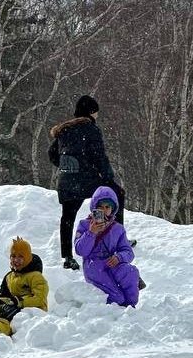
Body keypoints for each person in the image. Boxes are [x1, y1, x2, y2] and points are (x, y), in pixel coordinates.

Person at [49, 94, 117, 270]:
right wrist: (108, 179)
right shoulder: (91, 130)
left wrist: (67, 166)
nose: (97, 116)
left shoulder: (64, 130)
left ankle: (67, 257)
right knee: (114, 197)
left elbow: (52, 154)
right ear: (91, 112)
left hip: (67, 180)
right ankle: (117, 237)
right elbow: (99, 156)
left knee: (67, 217)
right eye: (96, 113)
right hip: (86, 179)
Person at [74, 186, 140, 307]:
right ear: (94, 207)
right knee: (117, 298)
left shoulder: (117, 228)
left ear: (113, 209)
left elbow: (128, 251)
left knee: (130, 272)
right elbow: (81, 251)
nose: (104, 210)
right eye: (100, 207)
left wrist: (119, 257)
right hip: (93, 266)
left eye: (107, 207)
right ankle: (114, 308)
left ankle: (130, 308)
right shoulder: (84, 225)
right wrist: (91, 233)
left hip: (111, 263)